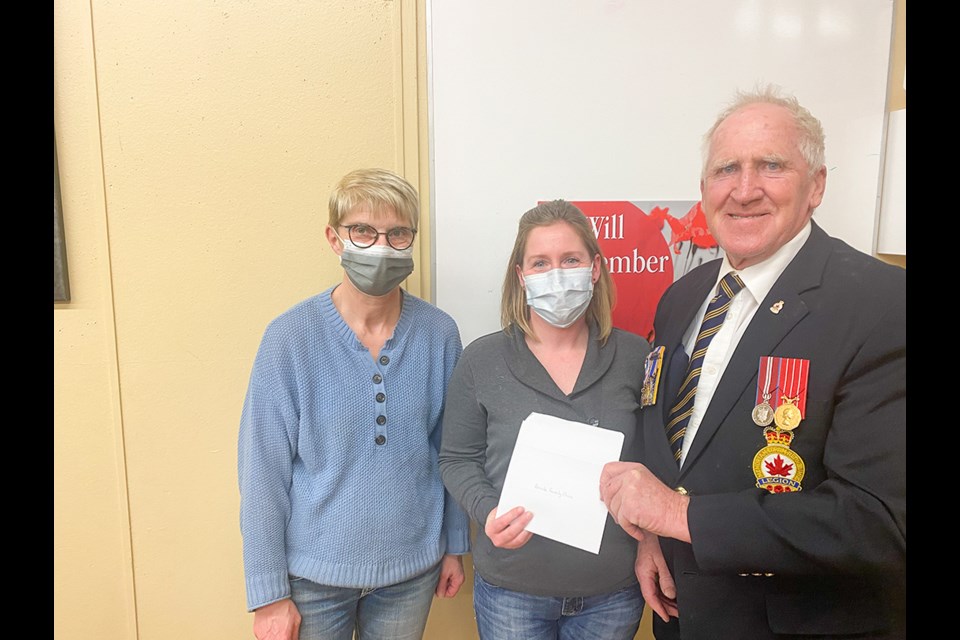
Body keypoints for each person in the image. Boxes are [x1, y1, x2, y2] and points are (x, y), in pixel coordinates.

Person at [599, 86, 906, 639]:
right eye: (726, 170)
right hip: (681, 610)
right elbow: (669, 436)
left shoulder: (883, 305)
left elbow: (879, 522)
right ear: (703, 190)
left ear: (816, 185)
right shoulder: (684, 297)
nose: (744, 190)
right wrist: (650, 536)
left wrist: (676, 515)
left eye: (770, 165)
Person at [238, 168, 469, 640]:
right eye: (363, 230)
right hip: (311, 581)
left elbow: (452, 448)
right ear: (334, 238)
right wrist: (268, 594)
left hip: (412, 572)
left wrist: (454, 545)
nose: (381, 245)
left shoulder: (439, 334)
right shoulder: (289, 338)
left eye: (397, 233)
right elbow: (262, 469)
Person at [439, 200, 651, 640]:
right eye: (540, 262)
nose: (556, 275)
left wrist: (651, 539)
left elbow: (658, 463)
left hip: (611, 592)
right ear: (521, 275)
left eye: (570, 260)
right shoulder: (482, 359)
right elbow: (457, 459)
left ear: (594, 268)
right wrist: (487, 510)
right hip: (512, 593)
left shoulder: (637, 358)